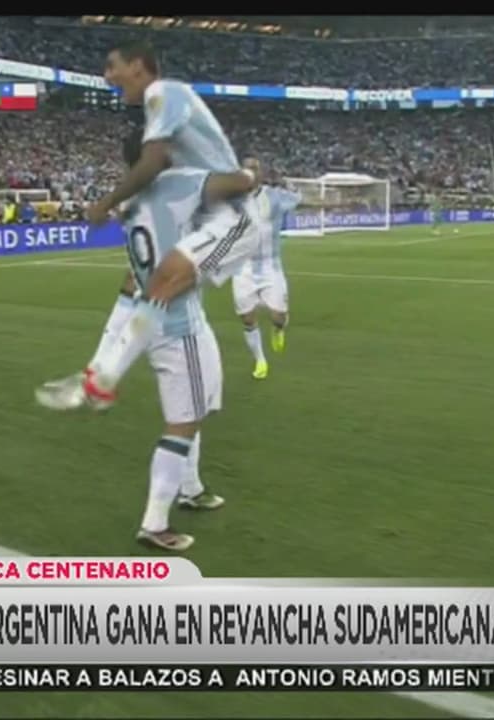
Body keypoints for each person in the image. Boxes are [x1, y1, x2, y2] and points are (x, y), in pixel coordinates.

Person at [39, 129, 259, 552]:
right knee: (183, 422)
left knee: (198, 406)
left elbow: (132, 279)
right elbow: (240, 183)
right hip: (179, 326)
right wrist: (249, 170)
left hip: (158, 317)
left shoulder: (134, 203)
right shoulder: (178, 185)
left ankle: (190, 487)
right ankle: (155, 523)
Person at [74, 40, 268, 408]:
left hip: (233, 216)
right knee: (151, 284)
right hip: (202, 211)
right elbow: (158, 168)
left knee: (164, 281)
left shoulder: (162, 92)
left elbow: (151, 162)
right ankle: (105, 371)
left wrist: (106, 203)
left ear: (137, 66)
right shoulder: (164, 134)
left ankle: (105, 373)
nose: (107, 75)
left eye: (113, 66)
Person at [233, 160, 301, 379]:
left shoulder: (275, 196)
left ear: (260, 174)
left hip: (271, 267)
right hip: (242, 269)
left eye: (254, 169)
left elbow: (300, 200)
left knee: (278, 316)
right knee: (247, 318)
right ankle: (260, 360)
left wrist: (289, 184)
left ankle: (278, 329)